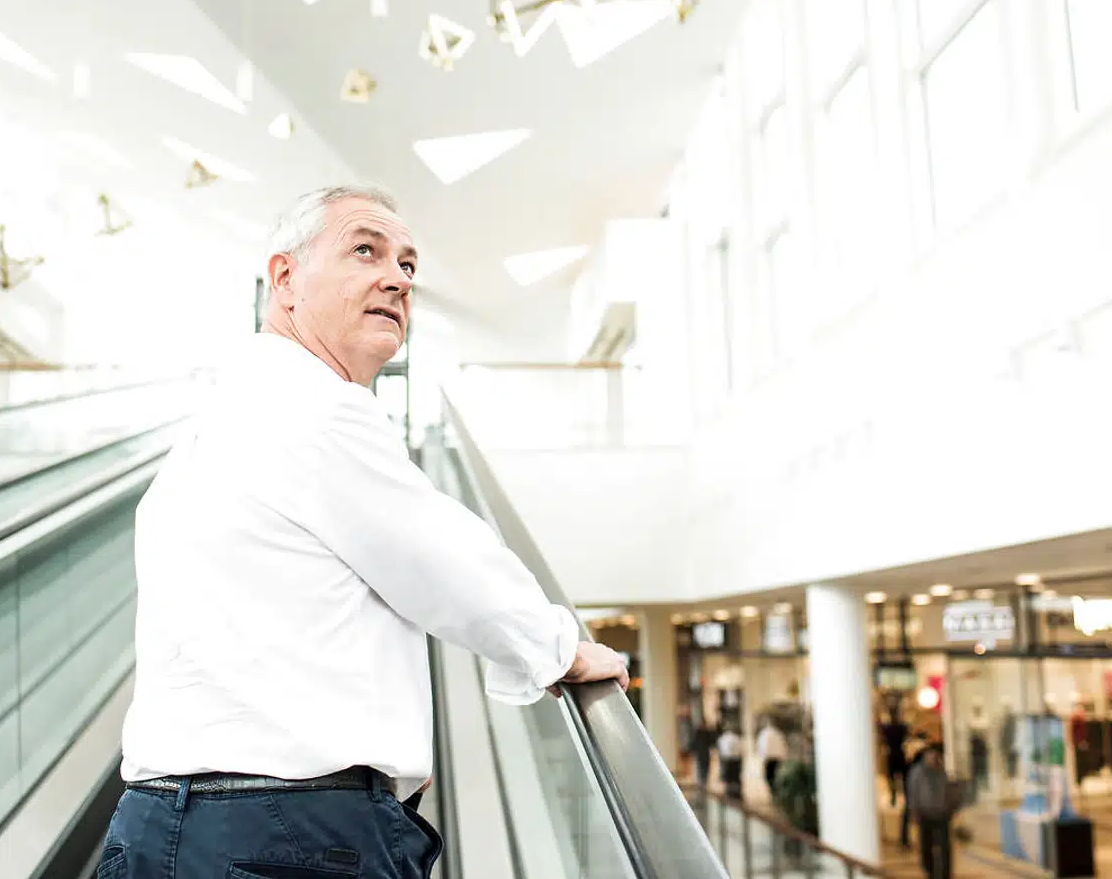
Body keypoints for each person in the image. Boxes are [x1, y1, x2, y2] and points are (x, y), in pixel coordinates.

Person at [98, 185, 630, 879]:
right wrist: (556, 649)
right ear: (285, 278)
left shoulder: (219, 423)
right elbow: (443, 562)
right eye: (365, 250)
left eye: (407, 265)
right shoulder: (313, 406)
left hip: (158, 825)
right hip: (282, 836)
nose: (398, 279)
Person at [907, 745, 958, 879]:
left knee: (944, 846)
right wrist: (914, 812)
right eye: (930, 756)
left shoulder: (942, 771)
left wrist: (950, 808)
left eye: (935, 756)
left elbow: (949, 791)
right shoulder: (917, 772)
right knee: (926, 846)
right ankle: (930, 871)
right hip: (925, 814)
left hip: (942, 814)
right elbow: (913, 793)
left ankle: (945, 874)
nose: (933, 758)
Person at [756, 718, 788, 796]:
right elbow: (783, 745)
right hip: (777, 757)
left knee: (769, 776)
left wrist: (762, 757)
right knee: (775, 775)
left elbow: (761, 747)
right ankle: (775, 791)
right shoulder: (778, 733)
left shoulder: (764, 734)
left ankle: (773, 791)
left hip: (769, 758)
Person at [717, 725, 744, 800]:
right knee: (735, 778)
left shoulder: (722, 738)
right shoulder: (736, 738)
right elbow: (740, 750)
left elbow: (721, 751)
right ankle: (736, 794)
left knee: (728, 778)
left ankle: (729, 793)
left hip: (726, 760)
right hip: (736, 760)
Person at [690, 718, 717, 793]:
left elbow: (693, 744)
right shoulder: (702, 733)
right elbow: (712, 742)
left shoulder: (699, 733)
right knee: (703, 768)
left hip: (702, 754)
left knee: (703, 768)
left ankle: (702, 783)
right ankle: (702, 783)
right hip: (703, 753)